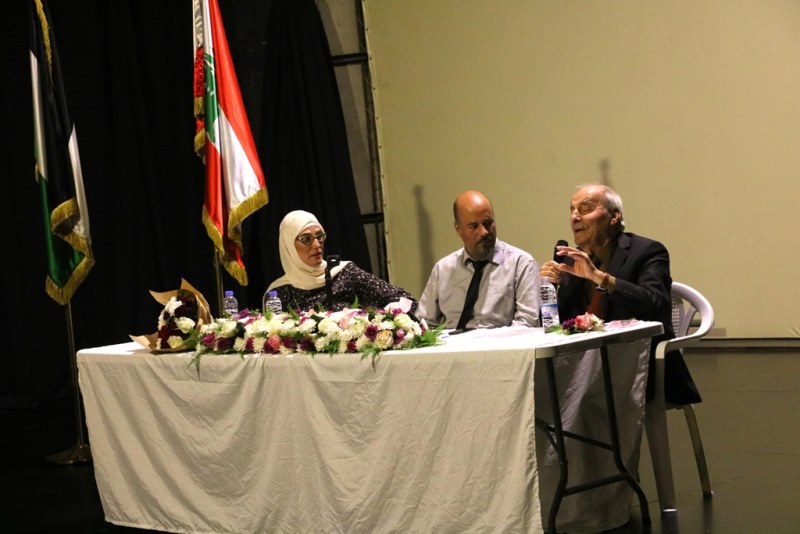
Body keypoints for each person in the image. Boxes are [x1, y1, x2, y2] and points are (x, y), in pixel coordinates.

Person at [539, 183, 701, 405]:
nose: (575, 217)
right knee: (535, 391)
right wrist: (549, 288)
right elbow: (554, 326)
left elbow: (654, 304)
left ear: (614, 216)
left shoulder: (647, 251)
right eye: (572, 210)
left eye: (585, 209)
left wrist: (600, 277)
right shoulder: (570, 260)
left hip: (636, 364)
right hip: (580, 365)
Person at [417, 190, 540, 329]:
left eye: (488, 223)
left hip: (500, 342)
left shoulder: (521, 264)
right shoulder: (443, 269)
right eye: (474, 226)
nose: (484, 232)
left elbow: (527, 323)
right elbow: (425, 323)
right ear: (458, 229)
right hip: (451, 341)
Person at [267, 210, 416, 312]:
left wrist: (380, 319)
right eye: (307, 239)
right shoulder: (278, 292)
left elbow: (403, 298)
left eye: (320, 236)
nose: (317, 245)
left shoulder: (343, 273)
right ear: (288, 245)